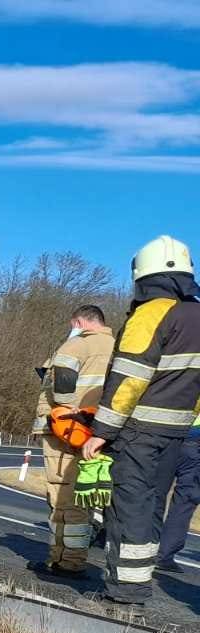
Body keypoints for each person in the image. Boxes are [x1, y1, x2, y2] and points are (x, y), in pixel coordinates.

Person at [82, 235, 200, 606]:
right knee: (152, 508)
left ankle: (124, 592)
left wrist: (101, 431)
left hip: (138, 433)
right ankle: (139, 582)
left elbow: (128, 381)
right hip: (178, 433)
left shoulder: (151, 313)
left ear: (143, 276)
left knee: (129, 507)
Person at [27, 305, 115, 579]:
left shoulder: (77, 345)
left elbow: (62, 378)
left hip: (64, 433)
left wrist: (66, 410)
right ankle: (75, 557)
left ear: (79, 322)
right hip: (99, 432)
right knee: (83, 497)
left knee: (62, 497)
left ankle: (63, 561)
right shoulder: (118, 347)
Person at [156, 413, 200, 574]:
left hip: (169, 431)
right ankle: (163, 556)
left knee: (154, 493)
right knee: (186, 500)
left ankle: (139, 542)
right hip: (195, 442)